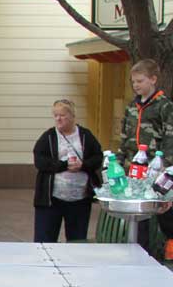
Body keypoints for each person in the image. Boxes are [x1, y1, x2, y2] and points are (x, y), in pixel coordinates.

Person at [117, 59, 173, 247]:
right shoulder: (131, 106)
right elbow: (124, 138)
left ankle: (163, 252)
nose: (136, 85)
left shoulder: (164, 106)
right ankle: (138, 251)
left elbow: (170, 138)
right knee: (138, 218)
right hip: (133, 171)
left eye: (140, 81)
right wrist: (118, 161)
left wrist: (164, 166)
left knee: (162, 216)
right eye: (133, 82)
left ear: (153, 80)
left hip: (155, 171)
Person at [32, 99, 103, 243]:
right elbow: (40, 161)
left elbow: (97, 157)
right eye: (55, 115)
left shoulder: (85, 135)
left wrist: (82, 165)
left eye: (62, 115)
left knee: (77, 240)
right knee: (44, 241)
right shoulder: (49, 136)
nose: (58, 119)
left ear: (72, 116)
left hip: (79, 199)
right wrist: (64, 165)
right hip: (51, 199)